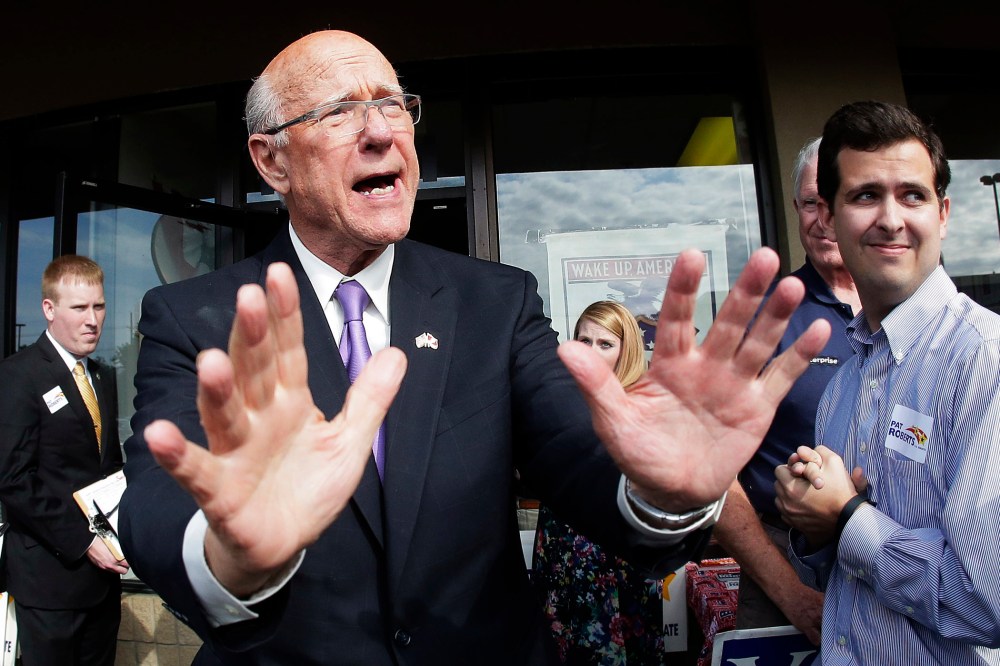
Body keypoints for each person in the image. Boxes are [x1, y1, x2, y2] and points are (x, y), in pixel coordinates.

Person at [118, 30, 829, 665]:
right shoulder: (192, 318)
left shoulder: (496, 302)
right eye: (339, 112)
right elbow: (156, 506)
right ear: (271, 161)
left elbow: (577, 452)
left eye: (393, 104)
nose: (381, 132)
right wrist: (231, 558)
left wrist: (662, 490)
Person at [775, 100, 1000, 664]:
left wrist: (849, 518)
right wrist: (813, 522)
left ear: (943, 214)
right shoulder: (845, 382)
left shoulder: (983, 358)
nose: (892, 219)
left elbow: (989, 602)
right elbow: (842, 580)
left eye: (913, 195)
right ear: (829, 218)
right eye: (866, 195)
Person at [713, 138, 861, 644]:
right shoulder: (767, 317)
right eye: (810, 202)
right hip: (784, 567)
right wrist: (789, 591)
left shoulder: (909, 315)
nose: (823, 218)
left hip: (896, 562)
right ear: (796, 207)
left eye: (836, 199)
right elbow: (717, 474)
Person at [0, 255, 128, 666]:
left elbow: (106, 468)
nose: (93, 320)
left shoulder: (102, 376)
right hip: (49, 583)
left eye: (99, 306)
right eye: (79, 308)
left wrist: (123, 532)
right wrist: (86, 542)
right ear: (49, 309)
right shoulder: (18, 375)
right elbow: (13, 479)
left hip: (102, 582)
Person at [534, 300, 666, 664]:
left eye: (605, 344)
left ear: (626, 351)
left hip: (620, 564)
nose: (591, 351)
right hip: (565, 558)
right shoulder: (557, 401)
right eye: (584, 341)